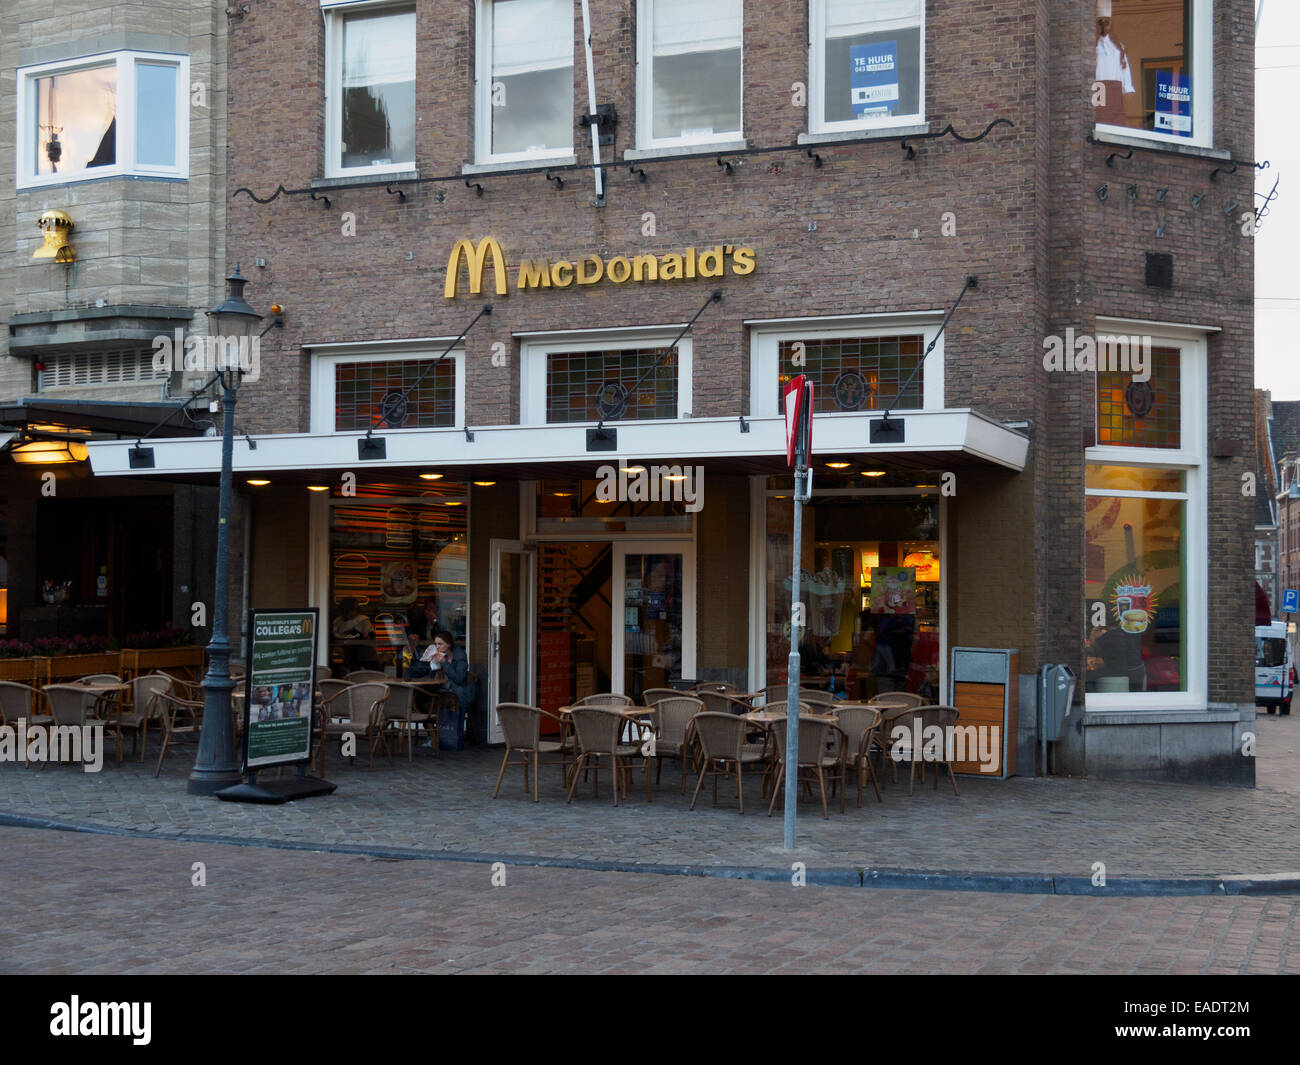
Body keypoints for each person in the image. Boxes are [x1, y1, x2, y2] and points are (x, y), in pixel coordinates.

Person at [1095, 1, 1134, 128]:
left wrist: (1127, 87)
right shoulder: (1093, 45)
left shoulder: (1118, 46)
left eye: (1107, 22)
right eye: (1101, 22)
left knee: (1115, 119)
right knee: (1100, 117)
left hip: (1115, 86)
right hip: (1098, 86)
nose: (1104, 25)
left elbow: (1125, 68)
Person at [332, 597, 376, 673]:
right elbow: (335, 635)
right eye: (350, 610)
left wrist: (361, 636)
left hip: (366, 657)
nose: (353, 612)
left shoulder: (363, 620)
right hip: (348, 657)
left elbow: (371, 635)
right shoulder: (338, 622)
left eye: (354, 609)